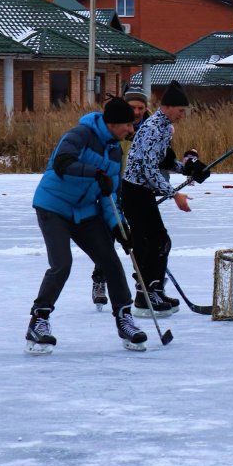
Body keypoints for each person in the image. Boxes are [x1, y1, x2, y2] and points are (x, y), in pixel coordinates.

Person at [26, 97, 147, 354]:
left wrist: (119, 228)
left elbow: (110, 195)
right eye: (128, 124)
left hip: (84, 212)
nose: (131, 130)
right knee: (62, 264)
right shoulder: (80, 134)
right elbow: (62, 163)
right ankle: (39, 320)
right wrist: (95, 173)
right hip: (53, 207)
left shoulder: (115, 150)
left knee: (110, 261)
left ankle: (124, 318)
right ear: (114, 123)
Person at [121, 80, 209, 317]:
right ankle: (148, 293)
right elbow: (149, 171)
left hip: (142, 192)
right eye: (181, 111)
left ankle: (152, 290)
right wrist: (174, 194)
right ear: (168, 107)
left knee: (157, 243)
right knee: (156, 242)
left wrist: (189, 169)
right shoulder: (153, 129)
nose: (182, 115)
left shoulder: (163, 128)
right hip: (134, 192)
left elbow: (161, 164)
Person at [90, 88, 149, 311]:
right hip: (112, 188)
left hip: (137, 190)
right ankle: (100, 279)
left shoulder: (150, 129)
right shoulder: (113, 129)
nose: (136, 112)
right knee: (110, 236)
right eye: (132, 107)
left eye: (141, 108)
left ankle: (141, 282)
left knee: (139, 238)